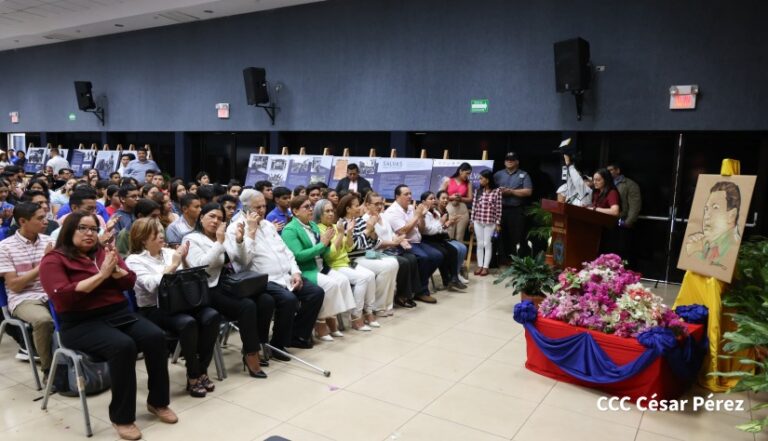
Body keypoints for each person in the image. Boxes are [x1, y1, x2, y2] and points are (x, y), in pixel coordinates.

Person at [39, 211, 176, 441]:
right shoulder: (54, 259)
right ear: (69, 230)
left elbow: (129, 282)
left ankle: (158, 402)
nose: (90, 234)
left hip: (118, 314)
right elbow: (63, 297)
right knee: (123, 346)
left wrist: (116, 271)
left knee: (155, 336)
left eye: (94, 229)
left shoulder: (104, 253)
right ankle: (122, 418)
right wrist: (102, 276)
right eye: (83, 228)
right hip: (80, 323)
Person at [126, 218, 221, 398]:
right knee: (188, 323)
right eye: (156, 233)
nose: (162, 236)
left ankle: (202, 370)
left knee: (212, 316)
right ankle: (193, 375)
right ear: (142, 238)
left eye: (161, 231)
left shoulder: (170, 252)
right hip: (154, 308)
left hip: (181, 303)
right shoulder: (134, 260)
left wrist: (184, 262)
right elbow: (151, 285)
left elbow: (188, 278)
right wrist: (174, 265)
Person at [224, 191, 324, 353]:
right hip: (261, 280)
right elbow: (243, 261)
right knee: (289, 299)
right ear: (246, 208)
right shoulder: (235, 228)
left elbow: (287, 252)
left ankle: (296, 335)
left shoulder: (269, 225)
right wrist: (250, 232)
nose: (263, 210)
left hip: (286, 275)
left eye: (264, 205)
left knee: (316, 293)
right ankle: (278, 344)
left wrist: (296, 272)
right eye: (258, 207)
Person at [183, 203, 270, 377]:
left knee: (266, 300)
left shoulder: (223, 236)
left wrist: (239, 241)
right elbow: (202, 267)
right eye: (211, 216)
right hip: (207, 288)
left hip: (228, 282)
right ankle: (250, 353)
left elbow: (244, 261)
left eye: (220, 218)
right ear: (201, 218)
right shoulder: (192, 239)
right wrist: (219, 242)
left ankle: (260, 344)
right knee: (247, 306)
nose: (216, 221)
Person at [282, 196, 355, 341]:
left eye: (310, 206)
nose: (310, 209)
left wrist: (328, 245)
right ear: (295, 211)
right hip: (305, 270)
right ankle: (321, 323)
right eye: (306, 207)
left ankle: (333, 320)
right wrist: (322, 245)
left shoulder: (313, 225)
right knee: (331, 285)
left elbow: (325, 251)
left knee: (342, 280)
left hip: (320, 265)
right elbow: (299, 256)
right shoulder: (290, 230)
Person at [0, 202, 55, 384]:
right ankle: (49, 371)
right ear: (23, 221)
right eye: (40, 218)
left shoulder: (49, 242)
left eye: (45, 216)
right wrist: (44, 264)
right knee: (43, 320)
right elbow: (15, 286)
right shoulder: (5, 247)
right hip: (24, 298)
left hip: (52, 292)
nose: (45, 221)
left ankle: (78, 362)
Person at [315, 199, 377, 331]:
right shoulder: (320, 229)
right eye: (327, 211)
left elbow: (349, 248)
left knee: (370, 275)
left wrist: (348, 233)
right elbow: (329, 255)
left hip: (347, 262)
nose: (331, 214)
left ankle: (369, 312)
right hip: (334, 265)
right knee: (362, 279)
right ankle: (356, 317)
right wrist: (341, 233)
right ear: (319, 214)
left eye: (332, 210)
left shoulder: (335, 226)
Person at [337, 193, 398, 320]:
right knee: (386, 267)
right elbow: (355, 246)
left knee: (394, 263)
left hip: (366, 255)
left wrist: (372, 230)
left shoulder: (359, 221)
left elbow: (373, 243)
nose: (360, 207)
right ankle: (377, 306)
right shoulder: (342, 223)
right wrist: (368, 230)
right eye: (356, 205)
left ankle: (387, 304)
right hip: (353, 259)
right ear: (348, 209)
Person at [384, 185, 443, 303]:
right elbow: (403, 231)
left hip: (417, 241)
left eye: (410, 193)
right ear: (397, 197)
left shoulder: (411, 208)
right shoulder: (392, 212)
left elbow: (420, 229)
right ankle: (421, 291)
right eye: (406, 194)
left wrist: (422, 217)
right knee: (424, 258)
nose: (410, 196)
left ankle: (416, 285)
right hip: (402, 243)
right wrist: (417, 215)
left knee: (438, 255)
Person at [362, 192, 419, 310]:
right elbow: (375, 243)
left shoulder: (382, 216)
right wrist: (394, 242)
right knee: (403, 262)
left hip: (389, 249)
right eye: (376, 204)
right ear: (367, 205)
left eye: (381, 204)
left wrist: (399, 240)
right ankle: (401, 296)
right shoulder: (366, 220)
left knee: (412, 257)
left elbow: (391, 233)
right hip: (376, 252)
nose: (379, 206)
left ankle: (411, 293)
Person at [684, 181, 741, 268]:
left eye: (715, 208)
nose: (707, 216)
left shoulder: (731, 248)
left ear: (732, 215)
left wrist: (694, 250)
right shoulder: (709, 241)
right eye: (706, 209)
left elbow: (716, 269)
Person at [420, 191, 468, 290]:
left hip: (438, 238)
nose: (433, 201)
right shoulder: (423, 214)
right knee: (444, 253)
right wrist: (443, 224)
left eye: (434, 198)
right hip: (427, 240)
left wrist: (448, 224)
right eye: (431, 199)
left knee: (453, 250)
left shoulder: (436, 213)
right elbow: (428, 231)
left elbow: (440, 229)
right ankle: (447, 280)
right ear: (424, 202)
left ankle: (454, 278)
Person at [493, 152, 533, 261]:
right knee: (500, 235)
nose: (509, 161)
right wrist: (499, 192)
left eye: (512, 159)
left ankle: (515, 261)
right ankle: (502, 259)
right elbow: (489, 190)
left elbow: (528, 192)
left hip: (516, 210)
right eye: (507, 159)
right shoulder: (497, 175)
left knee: (516, 235)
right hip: (499, 210)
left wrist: (511, 192)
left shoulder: (524, 175)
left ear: (517, 162)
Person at [607, 162, 642, 265]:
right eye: (607, 170)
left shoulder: (629, 184)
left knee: (622, 250)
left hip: (622, 221)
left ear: (617, 170)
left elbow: (635, 205)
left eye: (611, 170)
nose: (608, 173)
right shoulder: (606, 183)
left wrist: (628, 222)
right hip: (607, 221)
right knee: (609, 250)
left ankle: (623, 274)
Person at [471, 170, 502, 276]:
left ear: (487, 180)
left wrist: (498, 223)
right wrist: (472, 221)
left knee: (487, 244)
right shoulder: (478, 191)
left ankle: (485, 267)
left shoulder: (497, 191)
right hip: (478, 220)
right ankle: (480, 265)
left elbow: (498, 208)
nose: (479, 180)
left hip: (490, 221)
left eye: (481, 178)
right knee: (479, 244)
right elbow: (474, 207)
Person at [435, 190, 469, 283]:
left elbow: (443, 228)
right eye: (443, 198)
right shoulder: (435, 211)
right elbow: (435, 228)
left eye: (447, 198)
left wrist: (451, 223)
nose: (445, 200)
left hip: (443, 237)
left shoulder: (445, 210)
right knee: (455, 249)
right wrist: (446, 224)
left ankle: (457, 273)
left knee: (462, 247)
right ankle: (451, 276)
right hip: (435, 239)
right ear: (437, 200)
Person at [438, 162, 473, 243]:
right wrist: (451, 197)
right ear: (460, 171)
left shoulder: (468, 183)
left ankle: (459, 254)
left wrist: (460, 198)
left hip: (462, 210)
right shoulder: (448, 181)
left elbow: (470, 199)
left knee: (459, 236)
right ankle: (449, 254)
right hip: (449, 208)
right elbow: (440, 196)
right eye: (467, 173)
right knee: (449, 233)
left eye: (469, 174)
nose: (468, 175)